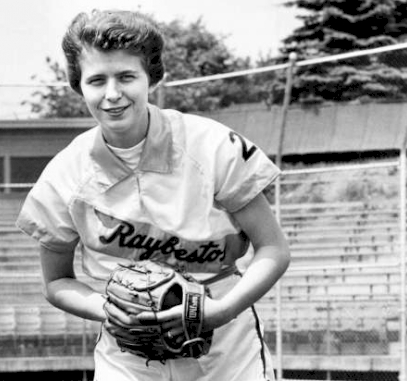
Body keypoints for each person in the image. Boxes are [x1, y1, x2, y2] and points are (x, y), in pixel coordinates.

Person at [17, 9, 290, 381]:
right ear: (78, 84)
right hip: (127, 350)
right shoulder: (64, 176)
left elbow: (273, 248)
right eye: (97, 80)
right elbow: (56, 282)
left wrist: (221, 311)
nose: (112, 94)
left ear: (152, 78)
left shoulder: (210, 146)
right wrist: (113, 310)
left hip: (225, 340)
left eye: (126, 77)